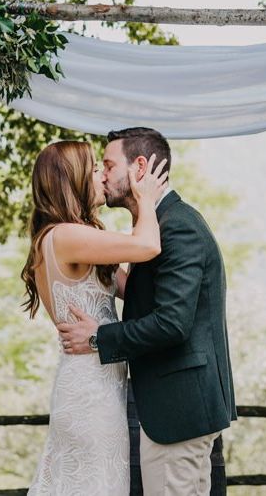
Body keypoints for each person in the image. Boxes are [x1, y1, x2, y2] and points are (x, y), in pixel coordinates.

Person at [58, 127, 236, 496]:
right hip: (180, 407)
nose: (102, 174)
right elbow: (149, 296)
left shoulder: (178, 228)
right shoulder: (158, 226)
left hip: (178, 409)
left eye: (108, 165)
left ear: (140, 167)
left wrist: (97, 337)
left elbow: (172, 323)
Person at [22, 140, 168, 495]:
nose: (103, 176)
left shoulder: (73, 237)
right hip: (90, 393)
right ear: (72, 181)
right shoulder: (66, 236)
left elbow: (131, 289)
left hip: (96, 386)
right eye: (94, 170)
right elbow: (148, 245)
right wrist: (145, 199)